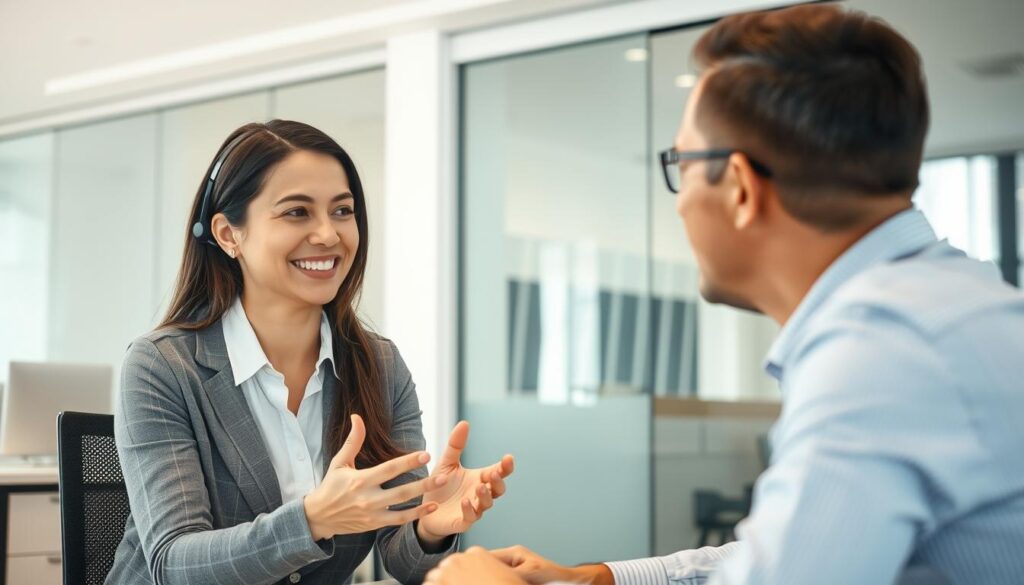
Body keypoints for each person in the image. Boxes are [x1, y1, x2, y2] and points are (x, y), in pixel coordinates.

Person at [424, 4, 1024, 585]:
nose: (680, 199)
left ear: (739, 187)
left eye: (681, 164)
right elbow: (789, 555)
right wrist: (602, 578)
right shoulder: (945, 301)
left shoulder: (880, 353)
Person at [108, 120, 514, 585]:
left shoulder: (379, 366)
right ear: (227, 234)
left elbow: (405, 561)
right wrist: (313, 519)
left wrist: (429, 529)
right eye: (297, 213)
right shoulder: (162, 366)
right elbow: (174, 564)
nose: (328, 234)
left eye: (342, 211)